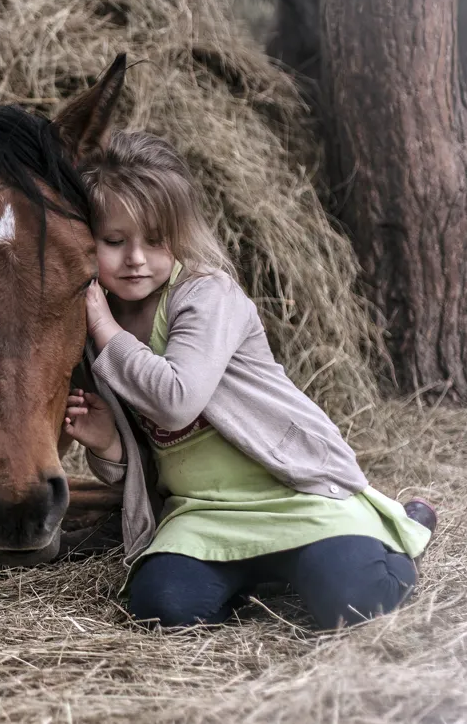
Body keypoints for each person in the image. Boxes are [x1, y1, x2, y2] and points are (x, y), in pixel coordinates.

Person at [61, 130, 436, 631]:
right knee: (162, 607)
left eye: (155, 239)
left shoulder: (205, 294)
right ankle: (262, 572)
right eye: (114, 241)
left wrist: (105, 329)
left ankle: (398, 530)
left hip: (291, 494)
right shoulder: (98, 331)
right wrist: (108, 445)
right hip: (203, 514)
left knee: (356, 603)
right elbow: (151, 453)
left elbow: (175, 402)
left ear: (181, 233)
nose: (135, 258)